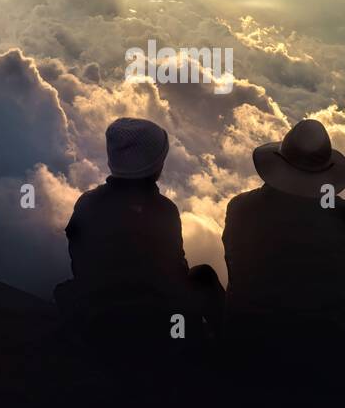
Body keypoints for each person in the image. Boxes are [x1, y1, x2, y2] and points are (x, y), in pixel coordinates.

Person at [222, 119, 345, 384]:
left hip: (254, 340)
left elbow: (237, 270)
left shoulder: (241, 208)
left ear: (278, 163)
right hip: (328, 347)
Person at [56, 117, 222, 350]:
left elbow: (78, 260)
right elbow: (175, 272)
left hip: (97, 320)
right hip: (156, 325)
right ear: (156, 167)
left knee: (64, 292)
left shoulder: (87, 204)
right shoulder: (164, 211)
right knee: (202, 276)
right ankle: (225, 348)